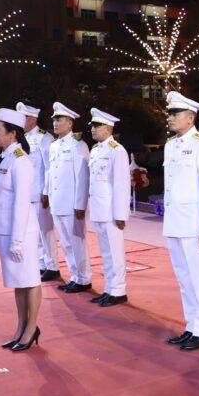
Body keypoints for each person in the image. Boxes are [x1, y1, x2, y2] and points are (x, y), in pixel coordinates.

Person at [162, 90, 199, 351]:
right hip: (175, 223)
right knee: (184, 279)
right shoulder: (170, 145)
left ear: (190, 117)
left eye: (175, 113)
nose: (170, 117)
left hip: (194, 225)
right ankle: (191, 325)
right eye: (169, 113)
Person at [0, 108, 43, 352]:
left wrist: (17, 240)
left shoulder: (21, 160)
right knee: (17, 281)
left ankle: (31, 328)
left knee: (30, 279)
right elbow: (0, 200)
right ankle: (20, 327)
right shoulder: (5, 157)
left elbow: (21, 203)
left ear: (12, 133)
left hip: (21, 232)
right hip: (6, 229)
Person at [43, 102, 92, 293]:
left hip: (72, 204)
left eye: (60, 119)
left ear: (70, 123)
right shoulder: (54, 146)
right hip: (57, 202)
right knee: (65, 242)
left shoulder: (78, 145)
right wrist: (46, 193)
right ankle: (74, 276)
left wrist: (80, 204)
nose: (55, 123)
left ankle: (84, 278)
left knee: (77, 242)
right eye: (54, 120)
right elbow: (50, 172)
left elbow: (83, 177)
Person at [87, 108, 131, 307]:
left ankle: (119, 290)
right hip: (98, 209)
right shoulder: (96, 150)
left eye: (97, 126)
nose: (93, 129)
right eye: (92, 126)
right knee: (106, 253)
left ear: (108, 128)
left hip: (111, 211)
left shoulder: (117, 150)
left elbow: (121, 184)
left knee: (115, 253)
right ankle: (109, 288)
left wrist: (121, 214)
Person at [16, 102, 60, 282]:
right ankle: (41, 263)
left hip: (40, 192)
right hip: (27, 193)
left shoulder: (44, 138)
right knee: (34, 232)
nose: (20, 121)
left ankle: (53, 266)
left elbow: (50, 167)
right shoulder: (22, 138)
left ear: (33, 119)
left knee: (45, 231)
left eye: (23, 118)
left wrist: (46, 191)